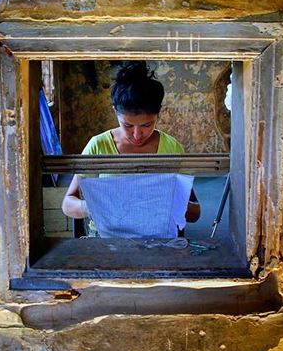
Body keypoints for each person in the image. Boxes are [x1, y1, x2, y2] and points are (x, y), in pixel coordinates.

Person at [61, 61, 201, 230]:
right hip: (109, 239)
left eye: (146, 125)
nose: (137, 135)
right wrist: (96, 207)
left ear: (158, 114)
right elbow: (68, 204)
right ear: (115, 111)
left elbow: (194, 213)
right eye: (127, 125)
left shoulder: (172, 148)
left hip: (157, 236)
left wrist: (168, 203)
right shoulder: (99, 146)